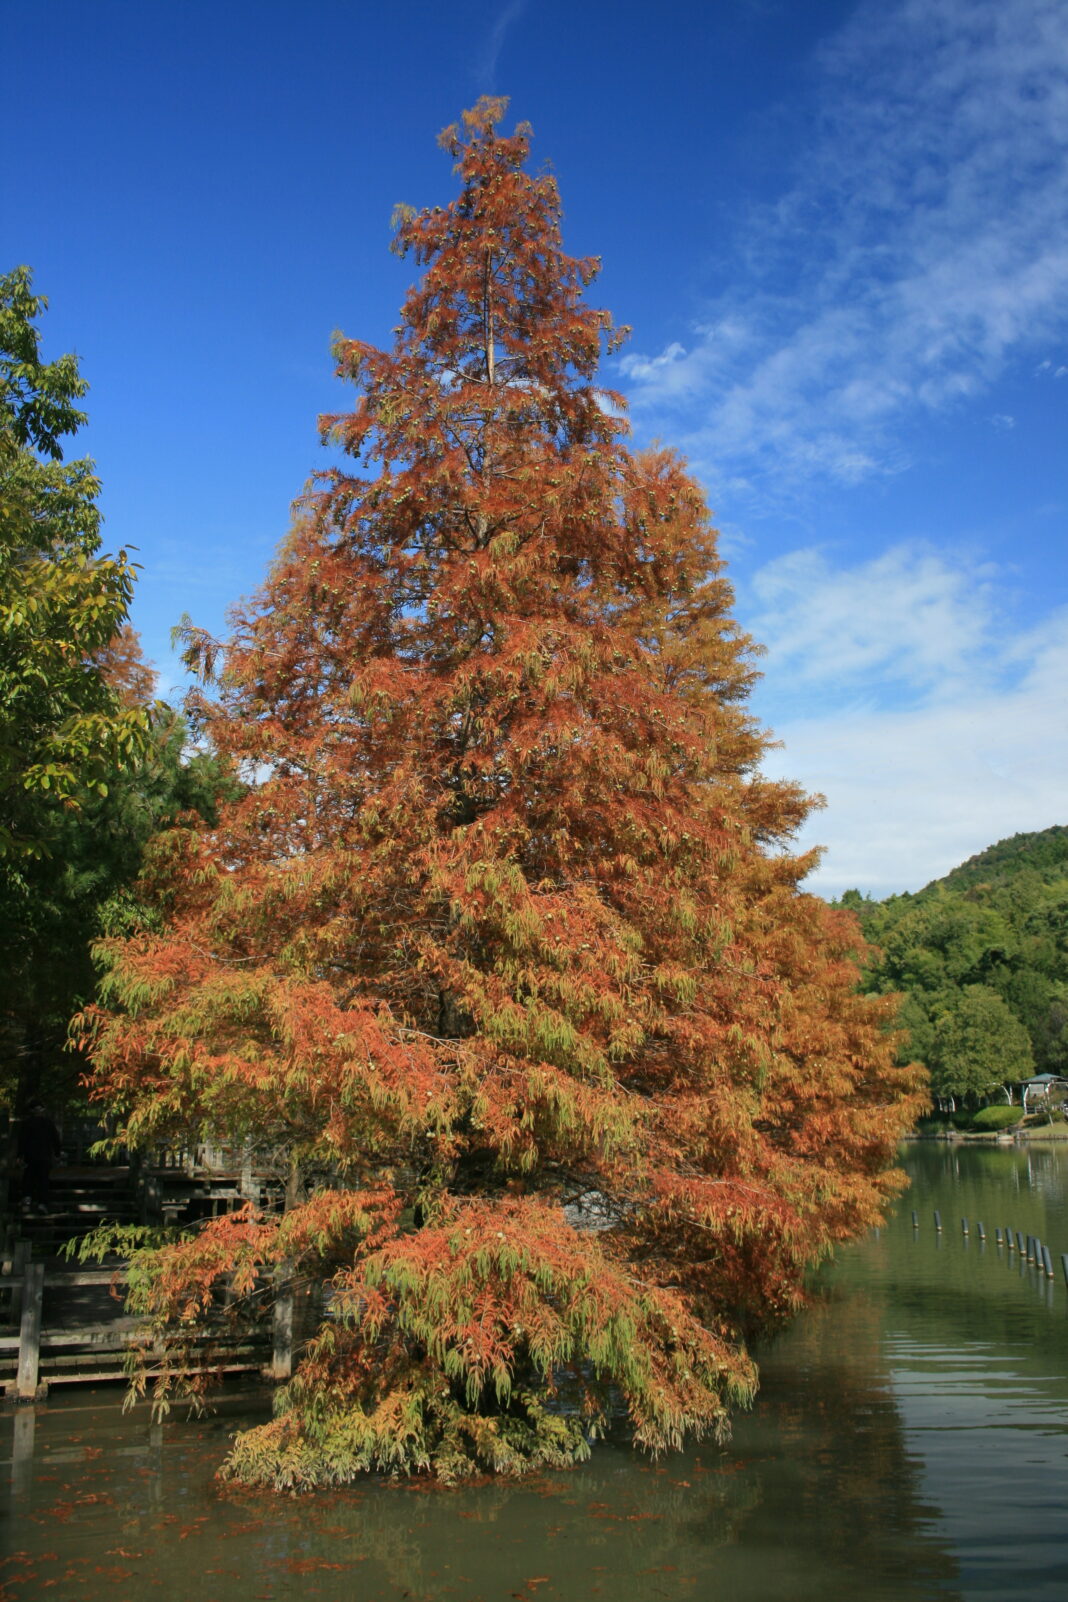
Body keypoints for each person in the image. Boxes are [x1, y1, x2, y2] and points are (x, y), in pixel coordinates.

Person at [18, 1102, 61, 1214]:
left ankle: (27, 1199)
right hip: (44, 1155)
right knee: (43, 1179)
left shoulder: (27, 1123)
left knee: (29, 1177)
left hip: (31, 1155)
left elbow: (22, 1140)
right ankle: (42, 1203)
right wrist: (57, 1153)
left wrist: (20, 1155)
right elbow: (55, 1139)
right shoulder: (48, 1123)